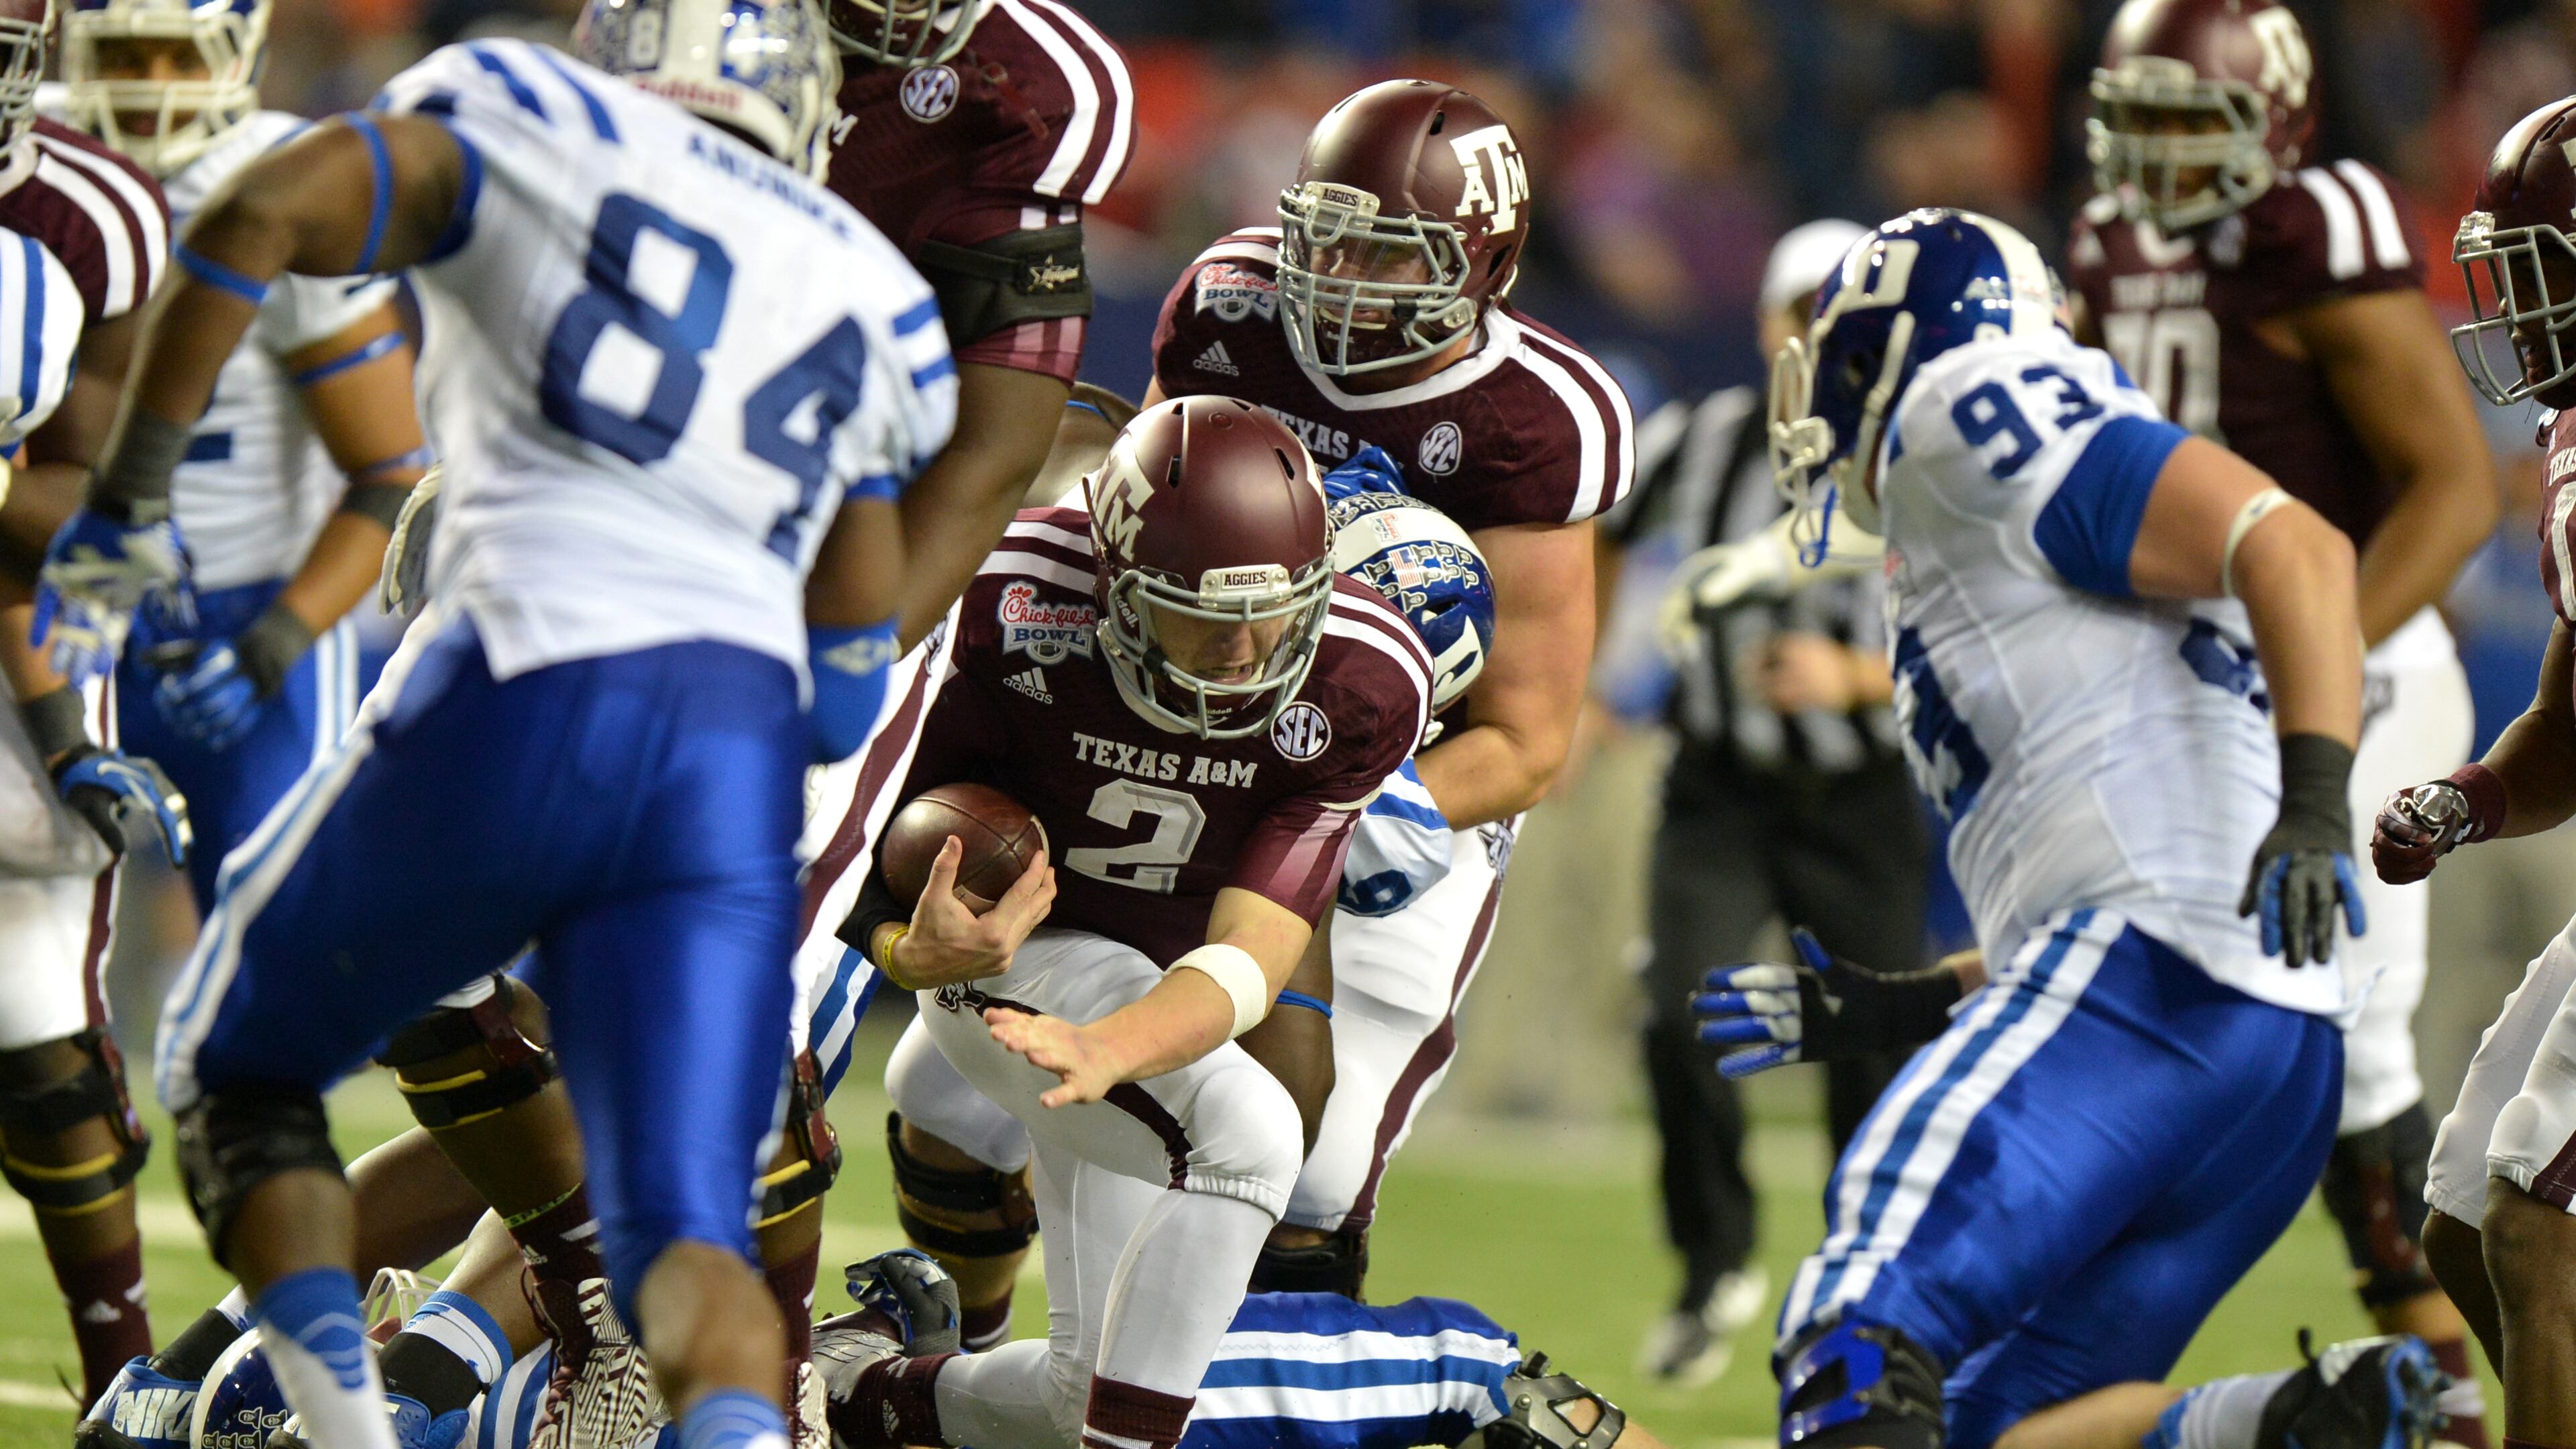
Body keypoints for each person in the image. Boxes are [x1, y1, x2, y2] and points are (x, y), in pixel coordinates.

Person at [33, 3, 954, 1447]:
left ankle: (347, 1425)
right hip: (730, 764)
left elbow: (266, 206)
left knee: (236, 1067)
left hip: (534, 663)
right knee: (685, 1235)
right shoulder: (876, 294)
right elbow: (846, 682)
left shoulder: (535, 109)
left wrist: (133, 492)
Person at [1697, 207, 2440, 1447]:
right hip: (2264, 1046)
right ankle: (2288, 1424)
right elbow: (2123, 837)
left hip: (2159, 989)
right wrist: (1900, 1004)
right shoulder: (1987, 524)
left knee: (1856, 1335)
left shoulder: (1968, 399)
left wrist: (2316, 796)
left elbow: (2295, 544)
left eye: (1841, 341)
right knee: (1994, 1426)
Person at [822, 396, 1433, 1449]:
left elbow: (1252, 952)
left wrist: (1112, 1047)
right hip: (1015, 955)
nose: (1246, 650)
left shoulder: (1362, 677)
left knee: (1081, 1395)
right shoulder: (1007, 596)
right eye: (1203, 612)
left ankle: (854, 1392)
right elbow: (851, 804)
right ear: (1114, 582)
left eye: (1277, 610)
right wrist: (897, 941)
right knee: (1247, 1135)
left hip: (1142, 992)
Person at [2068, 3, 2497, 1429]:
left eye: (2200, 127)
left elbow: (2454, 486)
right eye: (2144, 124)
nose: (2165, 163)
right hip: (2196, 678)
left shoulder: (2316, 230)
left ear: (2281, 125)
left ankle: (2442, 1395)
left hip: (2359, 678)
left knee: (2354, 1051)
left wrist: (2313, 649)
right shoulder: (2107, 241)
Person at [1601, 216, 1925, 1386]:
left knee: (1876, 1048)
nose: (1815, 339)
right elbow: (1602, 532)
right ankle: (1712, 1265)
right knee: (1677, 1011)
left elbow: (1991, 626)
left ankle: (1864, 1284)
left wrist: (1857, 677)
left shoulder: (1921, 456)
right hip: (1720, 784)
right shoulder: (1701, 438)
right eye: (1801, 312)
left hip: (1863, 789)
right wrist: (1585, 679)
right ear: (1768, 321)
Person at [53, 0, 431, 905]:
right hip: (60, 605)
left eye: (177, 56)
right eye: (126, 55)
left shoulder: (285, 179)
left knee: (281, 932)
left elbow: (388, 473)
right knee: (38, 939)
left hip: (247, 607)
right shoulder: (41, 163)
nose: (148, 89)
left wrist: (274, 642)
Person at [2373, 92, 2576, 1449]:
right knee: (2455, 1225)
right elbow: (2572, 718)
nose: (2521, 305)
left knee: (2534, 1238)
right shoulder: (2572, 441)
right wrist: (2478, 796)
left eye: (2544, 267)